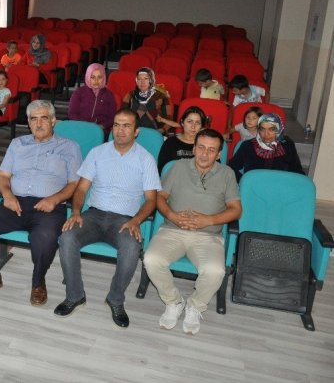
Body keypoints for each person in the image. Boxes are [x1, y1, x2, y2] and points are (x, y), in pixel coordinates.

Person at [0, 100, 82, 305]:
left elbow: (75, 183)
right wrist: (7, 195)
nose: (38, 123)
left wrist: (55, 199)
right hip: (16, 202)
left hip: (49, 206)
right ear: (28, 122)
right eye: (33, 119)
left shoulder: (69, 147)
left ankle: (38, 282)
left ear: (53, 121)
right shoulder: (17, 144)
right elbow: (3, 175)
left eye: (44, 118)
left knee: (44, 236)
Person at [55, 109, 161, 327]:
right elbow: (81, 189)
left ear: (136, 131)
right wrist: (76, 212)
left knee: (132, 247)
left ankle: (115, 299)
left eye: (126, 126)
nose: (120, 130)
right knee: (67, 238)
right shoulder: (97, 152)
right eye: (116, 125)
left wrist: (136, 221)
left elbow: (151, 200)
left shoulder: (146, 159)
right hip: (93, 215)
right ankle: (75, 295)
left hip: (125, 220)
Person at [143, 128, 241, 335]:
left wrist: (209, 220)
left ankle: (195, 306)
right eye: (201, 147)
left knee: (215, 271)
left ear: (219, 154)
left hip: (208, 235)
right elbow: (160, 196)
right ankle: (174, 302)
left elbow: (236, 210)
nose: (205, 154)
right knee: (151, 259)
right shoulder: (178, 167)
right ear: (194, 148)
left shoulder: (227, 174)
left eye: (211, 150)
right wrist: (172, 216)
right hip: (173, 230)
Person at [229, 113, 304, 182]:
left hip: (280, 187)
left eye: (272, 129)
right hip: (254, 187)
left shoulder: (287, 146)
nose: (266, 134)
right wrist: (244, 181)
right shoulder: (247, 146)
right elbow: (231, 168)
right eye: (262, 129)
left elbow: (298, 172)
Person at [68, 63, 117, 138]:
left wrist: (102, 126)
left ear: (104, 77)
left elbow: (112, 117)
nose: (96, 80)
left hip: (100, 130)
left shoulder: (109, 95)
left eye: (99, 77)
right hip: (80, 127)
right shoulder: (79, 92)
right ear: (88, 77)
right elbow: (72, 114)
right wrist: (85, 124)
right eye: (92, 77)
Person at [157, 106, 207, 173]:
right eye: (190, 121)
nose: (193, 126)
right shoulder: (170, 143)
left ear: (202, 127)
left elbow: (216, 169)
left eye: (197, 123)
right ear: (182, 122)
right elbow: (162, 169)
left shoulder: (207, 144)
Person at [122, 67, 168, 133]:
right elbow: (122, 116)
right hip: (133, 131)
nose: (142, 82)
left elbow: (169, 120)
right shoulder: (130, 95)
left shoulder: (160, 96)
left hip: (155, 132)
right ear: (136, 81)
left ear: (151, 80)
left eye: (146, 79)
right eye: (139, 79)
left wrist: (161, 130)